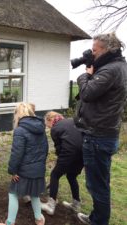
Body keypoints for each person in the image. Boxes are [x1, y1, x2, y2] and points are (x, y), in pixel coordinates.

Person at [74, 33, 127, 225]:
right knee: (100, 182)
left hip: (98, 136)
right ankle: (97, 218)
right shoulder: (117, 66)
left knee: (97, 185)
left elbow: (87, 93)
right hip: (104, 133)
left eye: (95, 50)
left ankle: (98, 222)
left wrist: (85, 75)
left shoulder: (111, 70)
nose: (92, 53)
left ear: (107, 50)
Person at [0, 103, 48, 225]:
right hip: (38, 169)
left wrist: (13, 171)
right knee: (34, 194)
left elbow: (16, 154)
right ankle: (39, 219)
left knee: (13, 193)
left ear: (18, 114)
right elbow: (45, 149)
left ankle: (10, 222)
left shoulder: (20, 130)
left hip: (23, 170)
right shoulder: (41, 128)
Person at [41, 111, 83, 215]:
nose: (49, 128)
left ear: (50, 120)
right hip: (83, 153)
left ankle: (51, 205)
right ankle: (76, 204)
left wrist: (59, 161)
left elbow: (59, 148)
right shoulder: (71, 120)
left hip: (68, 153)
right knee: (71, 176)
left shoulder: (55, 128)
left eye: (48, 125)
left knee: (55, 175)